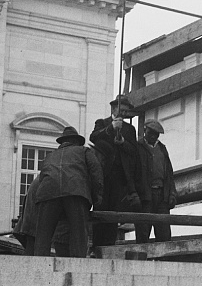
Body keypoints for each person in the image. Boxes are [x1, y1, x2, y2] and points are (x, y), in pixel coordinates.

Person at [31, 126, 104, 258]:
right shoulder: (84, 151)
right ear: (76, 141)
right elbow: (96, 173)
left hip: (48, 195)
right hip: (75, 192)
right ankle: (78, 266)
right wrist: (96, 198)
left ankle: (39, 268)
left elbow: (42, 180)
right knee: (79, 234)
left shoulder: (50, 156)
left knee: (43, 236)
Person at [88, 96, 143, 248]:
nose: (124, 114)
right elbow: (93, 137)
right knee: (100, 209)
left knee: (114, 213)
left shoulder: (129, 129)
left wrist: (123, 143)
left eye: (126, 111)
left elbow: (133, 151)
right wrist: (111, 128)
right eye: (122, 110)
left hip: (119, 177)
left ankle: (109, 246)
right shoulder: (102, 123)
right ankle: (97, 246)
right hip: (103, 174)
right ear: (113, 109)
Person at [134, 119, 177, 242]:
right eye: (150, 133)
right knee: (143, 234)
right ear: (144, 131)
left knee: (164, 234)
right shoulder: (137, 148)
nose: (153, 136)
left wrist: (172, 193)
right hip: (145, 197)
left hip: (162, 196)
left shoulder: (162, 149)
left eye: (156, 134)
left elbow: (169, 173)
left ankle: (164, 260)